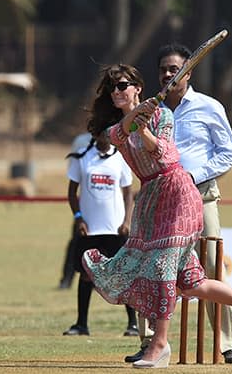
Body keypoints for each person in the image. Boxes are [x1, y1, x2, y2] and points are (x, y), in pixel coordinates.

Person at [81, 64, 232, 369]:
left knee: (163, 267)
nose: (117, 91)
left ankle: (159, 344)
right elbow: (122, 133)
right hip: (151, 199)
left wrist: (147, 126)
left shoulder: (163, 115)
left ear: (137, 87)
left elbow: (164, 154)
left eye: (123, 85)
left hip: (178, 192)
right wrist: (136, 118)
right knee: (190, 282)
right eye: (112, 88)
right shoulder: (114, 129)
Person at [62, 129, 139, 337]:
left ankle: (133, 324)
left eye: (109, 134)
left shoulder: (120, 157)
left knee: (122, 274)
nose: (106, 138)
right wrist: (78, 217)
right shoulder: (82, 158)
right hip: (90, 229)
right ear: (95, 136)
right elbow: (72, 192)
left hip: (115, 229)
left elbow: (128, 193)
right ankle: (81, 324)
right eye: (102, 134)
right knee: (86, 275)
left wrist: (127, 221)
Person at [58, 132, 92, 290]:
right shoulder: (81, 141)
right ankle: (66, 279)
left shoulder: (117, 138)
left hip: (110, 204)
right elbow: (73, 172)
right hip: (85, 203)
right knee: (76, 243)